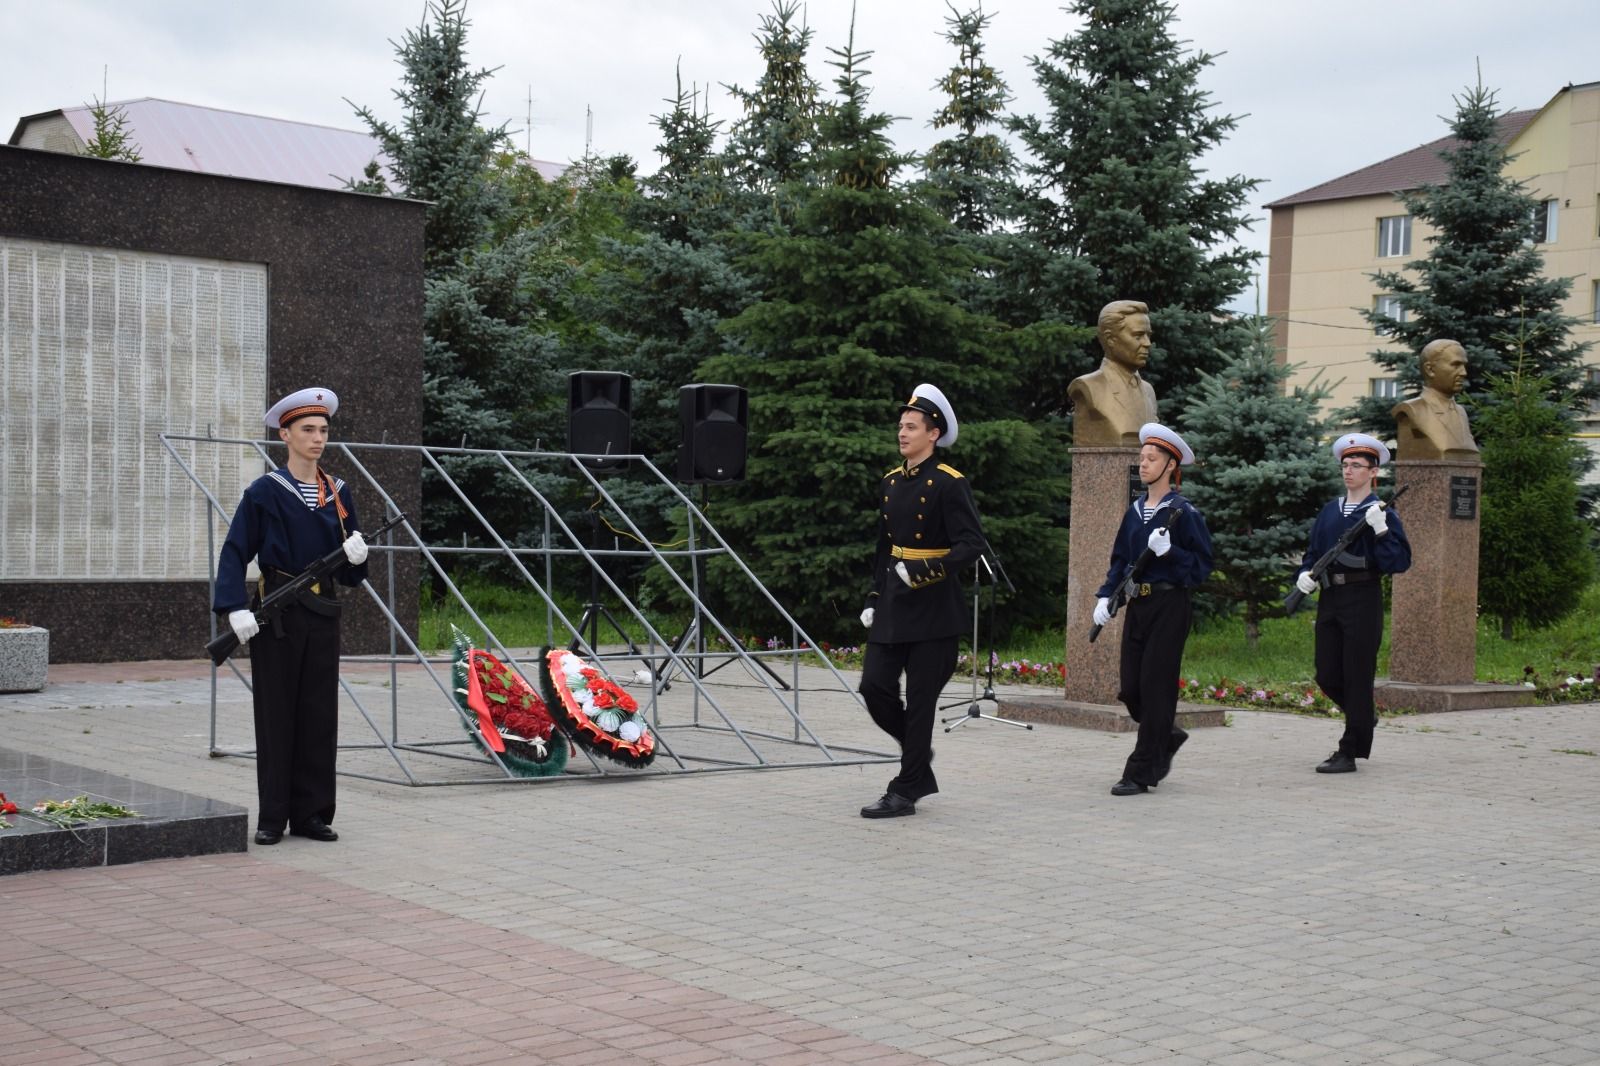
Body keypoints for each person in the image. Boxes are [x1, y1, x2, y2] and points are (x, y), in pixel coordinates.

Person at [214, 387, 370, 845]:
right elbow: (235, 550)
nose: (318, 439)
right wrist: (234, 606)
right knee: (276, 714)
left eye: (323, 430)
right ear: (286, 435)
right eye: (308, 430)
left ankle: (312, 814)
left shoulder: (338, 493)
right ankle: (273, 816)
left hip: (322, 614)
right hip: (276, 615)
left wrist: (358, 557)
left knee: (319, 715)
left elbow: (351, 575)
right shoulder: (265, 492)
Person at [857, 384, 986, 819]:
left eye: (911, 427)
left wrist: (924, 571)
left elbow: (972, 545)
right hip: (894, 600)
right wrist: (875, 595)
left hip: (933, 606)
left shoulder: (949, 484)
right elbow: (883, 547)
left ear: (933, 434)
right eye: (900, 426)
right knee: (873, 686)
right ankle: (917, 755)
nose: (902, 433)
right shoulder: (891, 483)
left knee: (921, 702)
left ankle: (905, 789)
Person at [1093, 422, 1212, 796]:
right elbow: (1120, 560)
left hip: (1169, 604)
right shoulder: (1135, 512)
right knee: (1131, 689)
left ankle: (1140, 771)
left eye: (1152, 458)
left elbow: (1202, 566)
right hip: (1139, 604)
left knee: (1157, 688)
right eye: (1141, 457)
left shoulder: (1183, 512)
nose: (1143, 464)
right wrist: (1105, 596)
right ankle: (1167, 734)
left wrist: (1171, 552)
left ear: (1170, 466)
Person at [1294, 432, 1412, 774]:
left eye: (1356, 465)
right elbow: (1314, 552)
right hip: (1331, 597)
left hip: (1362, 598)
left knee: (1357, 675)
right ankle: (1363, 715)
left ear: (1372, 472)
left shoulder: (1380, 513)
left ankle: (1349, 750)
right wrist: (1305, 573)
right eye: (1345, 465)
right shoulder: (1330, 512)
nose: (1348, 471)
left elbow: (1398, 563)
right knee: (1327, 672)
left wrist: (1381, 531)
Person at [1067, 300, 1160, 446]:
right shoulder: (1088, 386)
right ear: (1110, 339)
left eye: (1148, 335)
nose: (1147, 343)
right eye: (1138, 336)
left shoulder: (1148, 391)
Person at [1391, 339, 1478, 460]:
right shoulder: (1412, 410)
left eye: (1464, 365)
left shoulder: (1461, 412)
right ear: (1430, 370)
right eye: (1455, 365)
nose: (1463, 372)